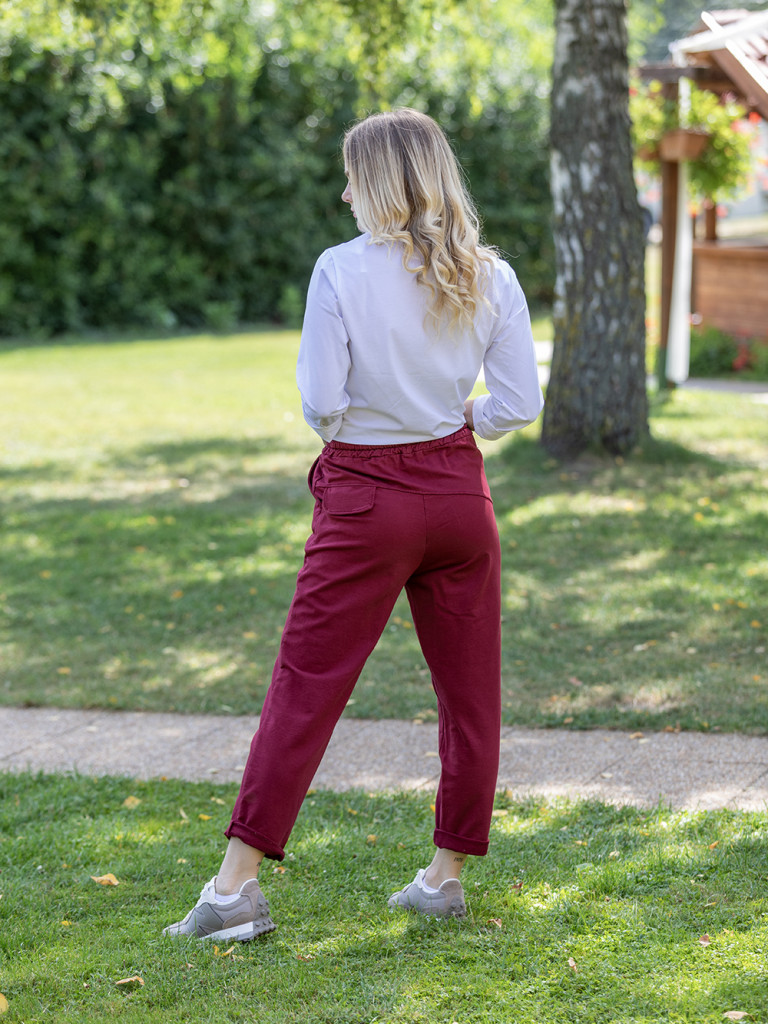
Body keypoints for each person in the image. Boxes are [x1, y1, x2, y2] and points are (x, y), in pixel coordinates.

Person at [163, 107, 544, 942]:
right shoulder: (490, 275)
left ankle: (234, 891)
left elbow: (321, 401)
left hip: (367, 498)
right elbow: (519, 403)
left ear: (375, 183)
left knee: (306, 687)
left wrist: (367, 429)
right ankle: (444, 878)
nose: (343, 194)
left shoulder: (341, 269)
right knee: (471, 697)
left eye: (350, 178)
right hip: (460, 500)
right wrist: (461, 418)